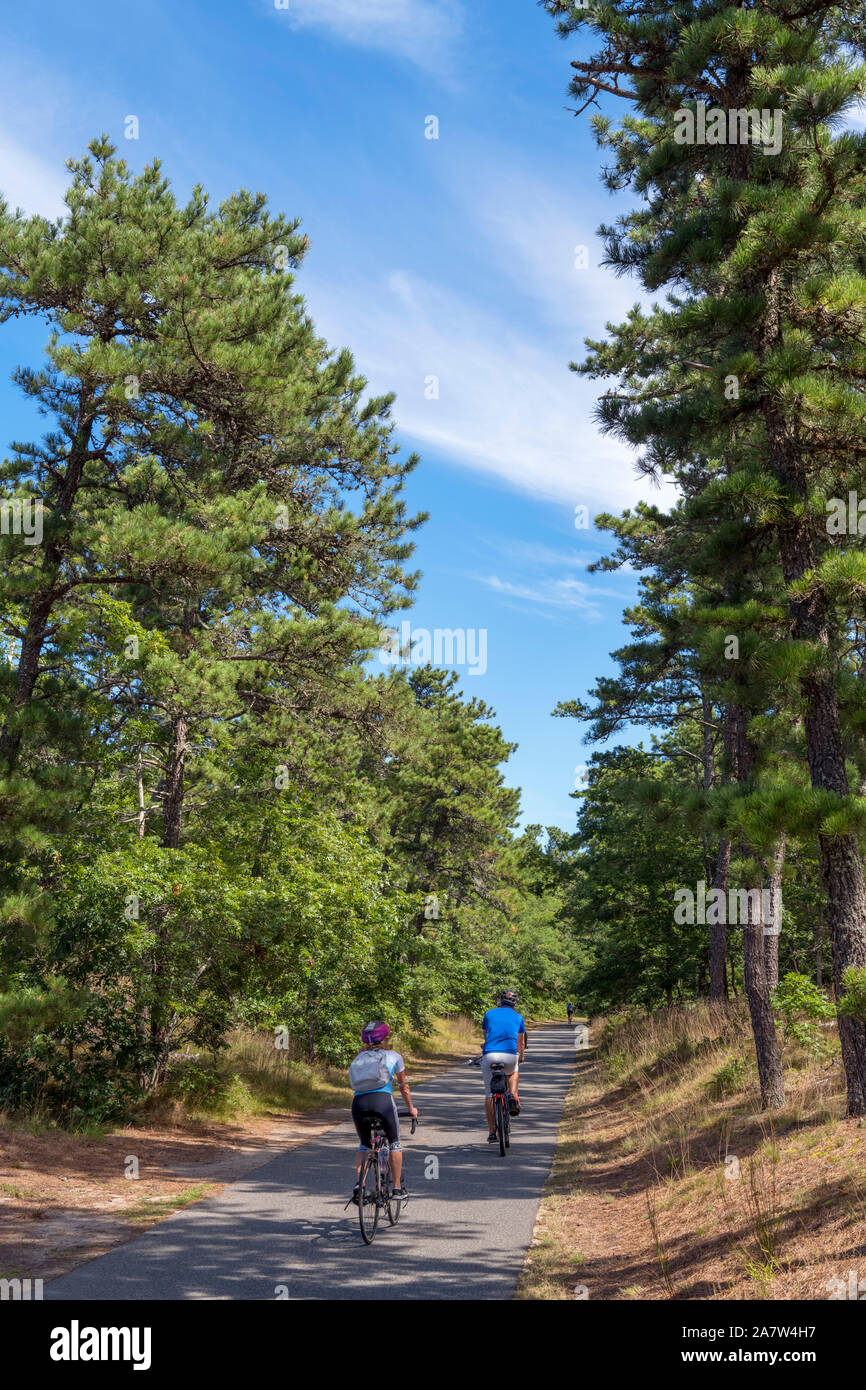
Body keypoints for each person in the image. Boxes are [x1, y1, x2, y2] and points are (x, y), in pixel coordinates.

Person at [348, 1020, 417, 1204]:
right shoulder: (394, 1056)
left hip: (359, 1104)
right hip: (383, 1103)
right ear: (386, 1038)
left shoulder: (358, 1058)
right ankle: (396, 1188)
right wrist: (411, 1109)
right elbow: (404, 1087)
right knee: (394, 1143)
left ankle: (359, 1186)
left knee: (364, 1145)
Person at [479, 989, 526, 1142]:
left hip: (490, 1054)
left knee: (489, 1094)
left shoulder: (489, 1014)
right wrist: (521, 1057)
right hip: (509, 1055)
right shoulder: (518, 1017)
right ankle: (512, 1095)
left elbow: (486, 1036)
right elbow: (521, 1042)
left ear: (500, 1001)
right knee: (513, 1071)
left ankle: (492, 1132)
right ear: (515, 1003)